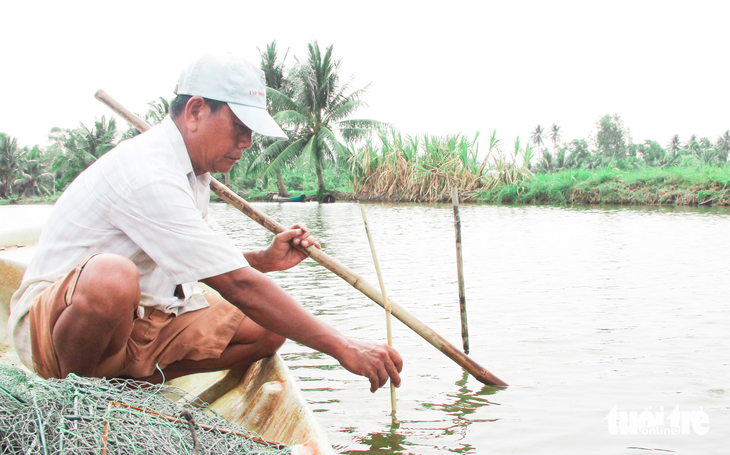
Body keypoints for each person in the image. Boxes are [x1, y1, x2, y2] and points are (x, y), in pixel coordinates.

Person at [7, 52, 402, 393]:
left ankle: (134, 383)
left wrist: (263, 260)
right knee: (111, 277)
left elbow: (210, 263)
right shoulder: (148, 171)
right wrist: (342, 346)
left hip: (140, 320)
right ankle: (79, 393)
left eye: (251, 132)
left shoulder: (195, 175)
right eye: (240, 127)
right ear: (196, 111)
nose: (247, 142)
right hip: (53, 333)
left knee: (268, 330)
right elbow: (235, 284)